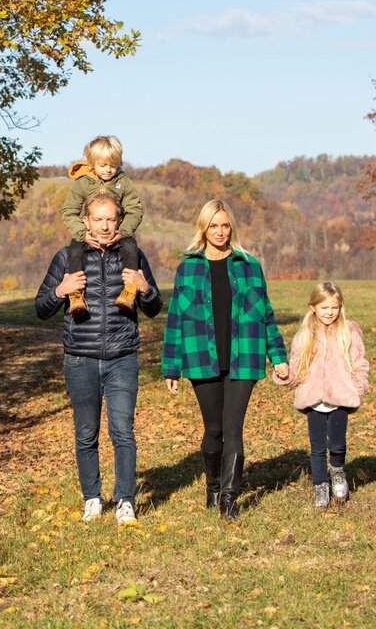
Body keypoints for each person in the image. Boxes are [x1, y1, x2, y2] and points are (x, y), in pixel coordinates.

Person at [36, 192, 162, 527]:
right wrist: (60, 291)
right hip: (80, 359)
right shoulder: (67, 257)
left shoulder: (133, 256)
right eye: (98, 219)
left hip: (122, 358)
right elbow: (41, 309)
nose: (105, 226)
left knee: (123, 431)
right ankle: (92, 498)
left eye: (110, 219)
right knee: (85, 433)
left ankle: (125, 502)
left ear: (119, 221)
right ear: (86, 221)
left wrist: (144, 287)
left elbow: (153, 308)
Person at [161, 198, 288, 519]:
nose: (220, 232)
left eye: (225, 225)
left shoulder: (249, 265)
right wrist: (171, 366)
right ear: (204, 228)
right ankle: (213, 485)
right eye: (213, 226)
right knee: (213, 430)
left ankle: (228, 501)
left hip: (244, 356)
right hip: (202, 356)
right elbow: (175, 317)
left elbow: (266, 314)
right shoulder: (188, 268)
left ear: (232, 227)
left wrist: (278, 355)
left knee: (233, 429)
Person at [272, 282, 369, 508]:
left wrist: (356, 387)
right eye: (324, 307)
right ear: (313, 307)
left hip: (340, 399)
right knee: (317, 447)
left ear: (340, 307)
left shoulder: (349, 332)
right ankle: (320, 485)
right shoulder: (305, 335)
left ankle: (336, 471)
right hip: (313, 399)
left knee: (337, 443)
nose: (329, 312)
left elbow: (359, 364)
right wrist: (285, 374)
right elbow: (297, 366)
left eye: (334, 307)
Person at [61, 135, 144, 318]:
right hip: (88, 234)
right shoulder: (82, 183)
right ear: (92, 163)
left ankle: (129, 292)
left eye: (113, 165)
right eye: (103, 165)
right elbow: (69, 212)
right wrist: (83, 234)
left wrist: (122, 232)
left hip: (117, 234)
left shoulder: (124, 183)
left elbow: (135, 210)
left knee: (131, 247)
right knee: (75, 251)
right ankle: (76, 296)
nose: (109, 170)